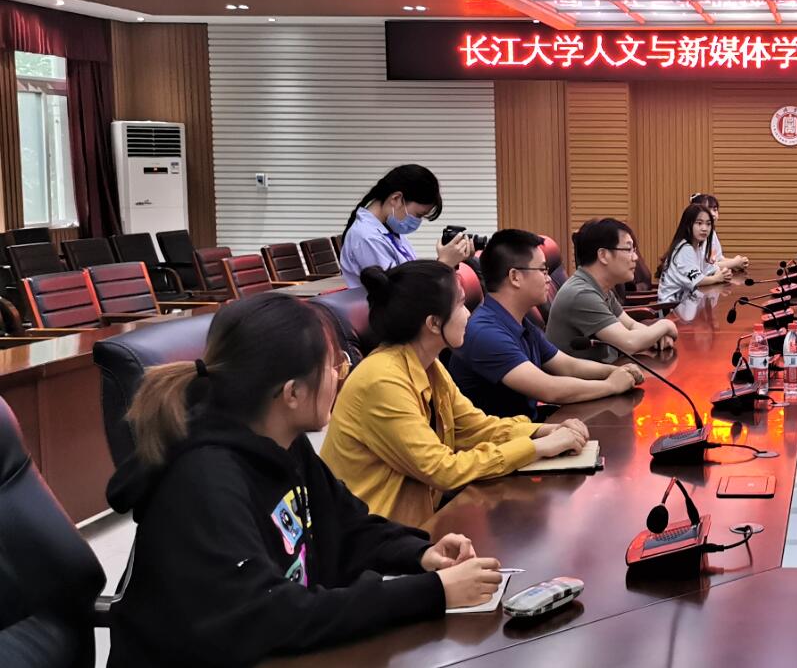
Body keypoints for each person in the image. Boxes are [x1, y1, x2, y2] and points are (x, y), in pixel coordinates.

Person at [107, 292, 506, 666]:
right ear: (292, 393)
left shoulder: (285, 442)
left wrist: (419, 554)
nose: (340, 376)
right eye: (333, 366)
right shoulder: (204, 482)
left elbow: (347, 526)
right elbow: (268, 614)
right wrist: (431, 593)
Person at [322, 262, 589, 526]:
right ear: (433, 323)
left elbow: (475, 427)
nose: (469, 314)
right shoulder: (382, 380)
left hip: (418, 525)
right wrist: (536, 448)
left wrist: (541, 431)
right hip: (376, 540)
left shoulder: (430, 365)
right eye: (461, 304)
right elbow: (442, 469)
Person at [448, 230, 645, 421]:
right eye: (542, 270)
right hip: (501, 439)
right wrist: (611, 386)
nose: (549, 278)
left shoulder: (519, 321)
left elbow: (568, 366)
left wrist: (614, 371)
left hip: (526, 429)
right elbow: (549, 389)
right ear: (515, 277)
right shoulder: (486, 332)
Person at [547, 218, 680, 363]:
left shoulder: (601, 288)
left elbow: (631, 325)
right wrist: (666, 325)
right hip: (586, 376)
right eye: (628, 249)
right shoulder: (582, 294)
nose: (635, 257)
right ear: (603, 255)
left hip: (610, 369)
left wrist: (657, 337)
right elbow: (628, 343)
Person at [339, 164, 473, 287]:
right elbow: (399, 293)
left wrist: (450, 259)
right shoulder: (367, 238)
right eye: (418, 215)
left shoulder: (389, 230)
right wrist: (444, 264)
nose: (418, 221)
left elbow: (410, 279)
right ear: (396, 199)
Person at [656, 203, 734, 303]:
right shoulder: (684, 248)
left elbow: (711, 269)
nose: (704, 228)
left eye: (708, 224)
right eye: (699, 223)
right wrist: (717, 278)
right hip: (671, 307)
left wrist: (723, 273)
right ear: (688, 225)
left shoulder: (697, 247)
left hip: (686, 304)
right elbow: (698, 281)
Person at [690, 193, 748, 271]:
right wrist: (734, 262)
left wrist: (739, 262)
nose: (713, 214)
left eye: (715, 210)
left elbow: (718, 259)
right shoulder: (696, 236)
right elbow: (704, 267)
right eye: (707, 209)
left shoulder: (712, 233)